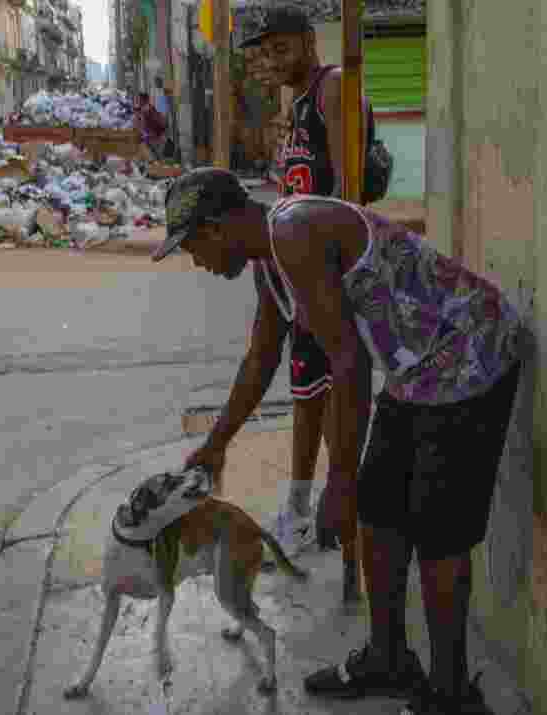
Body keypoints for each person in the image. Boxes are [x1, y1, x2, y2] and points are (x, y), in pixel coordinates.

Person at [156, 167, 528, 715]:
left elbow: (348, 361)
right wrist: (217, 443)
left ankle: (452, 696)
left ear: (217, 227)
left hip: (470, 355)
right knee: (380, 511)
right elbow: (261, 360)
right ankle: (388, 656)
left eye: (192, 247)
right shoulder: (271, 264)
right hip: (415, 373)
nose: (198, 262)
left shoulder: (294, 232)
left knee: (437, 530)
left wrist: (339, 480)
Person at [237, 3, 371, 558]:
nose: (272, 58)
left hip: (323, 269)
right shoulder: (293, 103)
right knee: (304, 387)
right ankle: (298, 505)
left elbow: (347, 188)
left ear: (309, 41)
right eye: (264, 50)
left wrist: (336, 271)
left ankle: (323, 505)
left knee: (332, 385)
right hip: (295, 269)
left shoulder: (332, 88)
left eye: (281, 47)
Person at [133, 92, 167, 159]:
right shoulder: (147, 109)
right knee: (154, 158)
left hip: (153, 138)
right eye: (137, 99)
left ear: (143, 100)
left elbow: (151, 123)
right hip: (151, 138)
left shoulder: (147, 109)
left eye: (138, 99)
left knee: (155, 158)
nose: (137, 101)